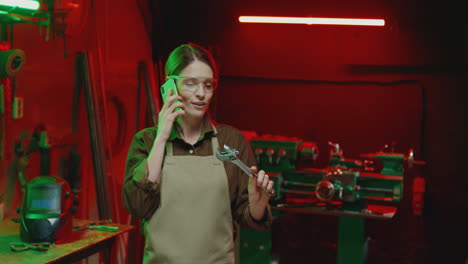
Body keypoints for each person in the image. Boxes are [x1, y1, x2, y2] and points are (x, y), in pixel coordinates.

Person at [122, 43, 274, 264]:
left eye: (208, 85)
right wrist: (162, 136)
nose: (201, 94)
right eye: (191, 84)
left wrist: (257, 207)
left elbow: (245, 215)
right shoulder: (146, 142)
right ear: (170, 87)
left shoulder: (230, 142)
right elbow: (137, 205)